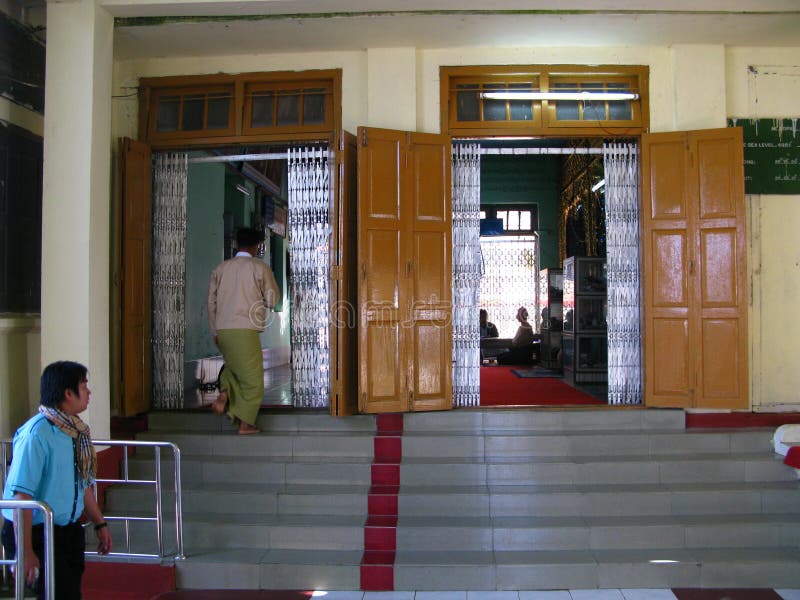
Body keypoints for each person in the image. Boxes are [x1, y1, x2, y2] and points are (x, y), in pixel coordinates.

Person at [1, 361, 113, 599]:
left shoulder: (76, 433)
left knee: (70, 592)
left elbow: (82, 485)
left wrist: (100, 523)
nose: (89, 392)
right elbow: (22, 496)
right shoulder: (37, 433)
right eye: (84, 386)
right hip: (35, 532)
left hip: (67, 530)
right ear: (67, 393)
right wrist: (26, 551)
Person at [207, 227, 279, 435]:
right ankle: (245, 424)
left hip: (223, 329)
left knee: (233, 368)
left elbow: (211, 302)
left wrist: (214, 330)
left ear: (236, 244)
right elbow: (273, 299)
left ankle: (225, 393)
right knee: (254, 381)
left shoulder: (221, 268)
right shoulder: (259, 268)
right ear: (256, 246)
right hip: (245, 330)